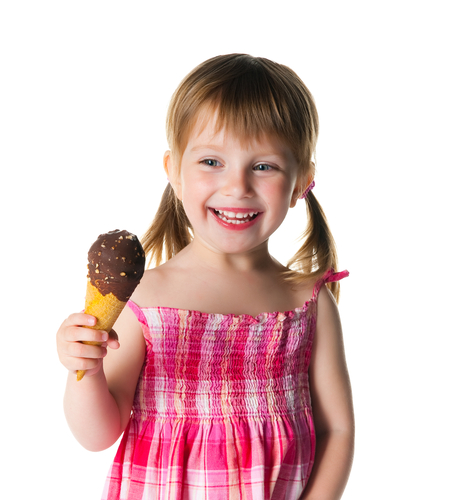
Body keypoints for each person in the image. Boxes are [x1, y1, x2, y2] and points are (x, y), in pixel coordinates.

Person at [57, 53, 354, 500]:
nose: (237, 186)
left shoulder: (306, 302)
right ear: (173, 170)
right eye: (212, 162)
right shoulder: (147, 297)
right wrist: (86, 370)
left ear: (300, 182)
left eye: (264, 166)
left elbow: (339, 429)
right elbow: (97, 434)